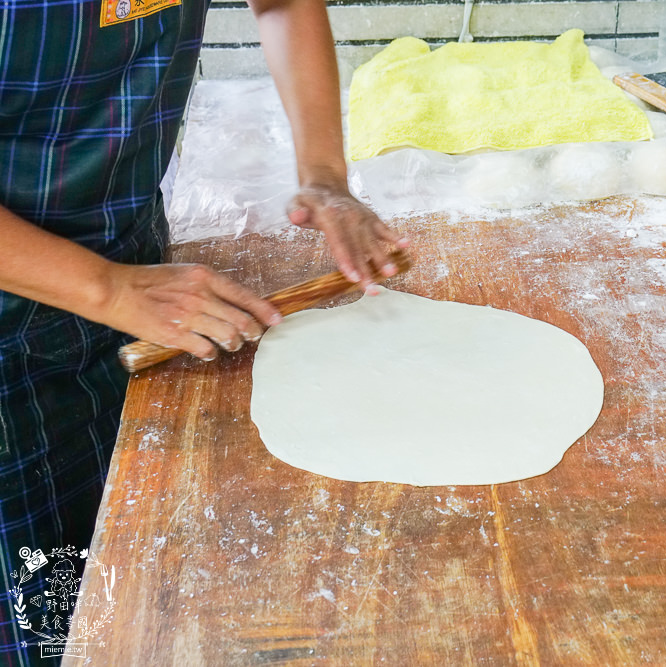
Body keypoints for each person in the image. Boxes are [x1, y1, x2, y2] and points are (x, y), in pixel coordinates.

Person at [0, 0, 406, 662]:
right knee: (43, 609)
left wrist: (325, 176)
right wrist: (104, 286)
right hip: (15, 342)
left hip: (135, 284)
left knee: (128, 584)